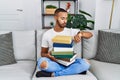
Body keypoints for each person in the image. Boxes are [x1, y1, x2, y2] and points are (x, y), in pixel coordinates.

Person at [36, 8, 93, 77]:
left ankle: (54, 74)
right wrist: (49, 56)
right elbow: (43, 53)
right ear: (56, 17)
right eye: (62, 18)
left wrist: (80, 34)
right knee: (42, 64)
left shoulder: (71, 31)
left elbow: (90, 34)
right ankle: (73, 70)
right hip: (54, 62)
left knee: (86, 64)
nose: (65, 21)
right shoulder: (47, 34)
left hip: (69, 62)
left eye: (66, 18)